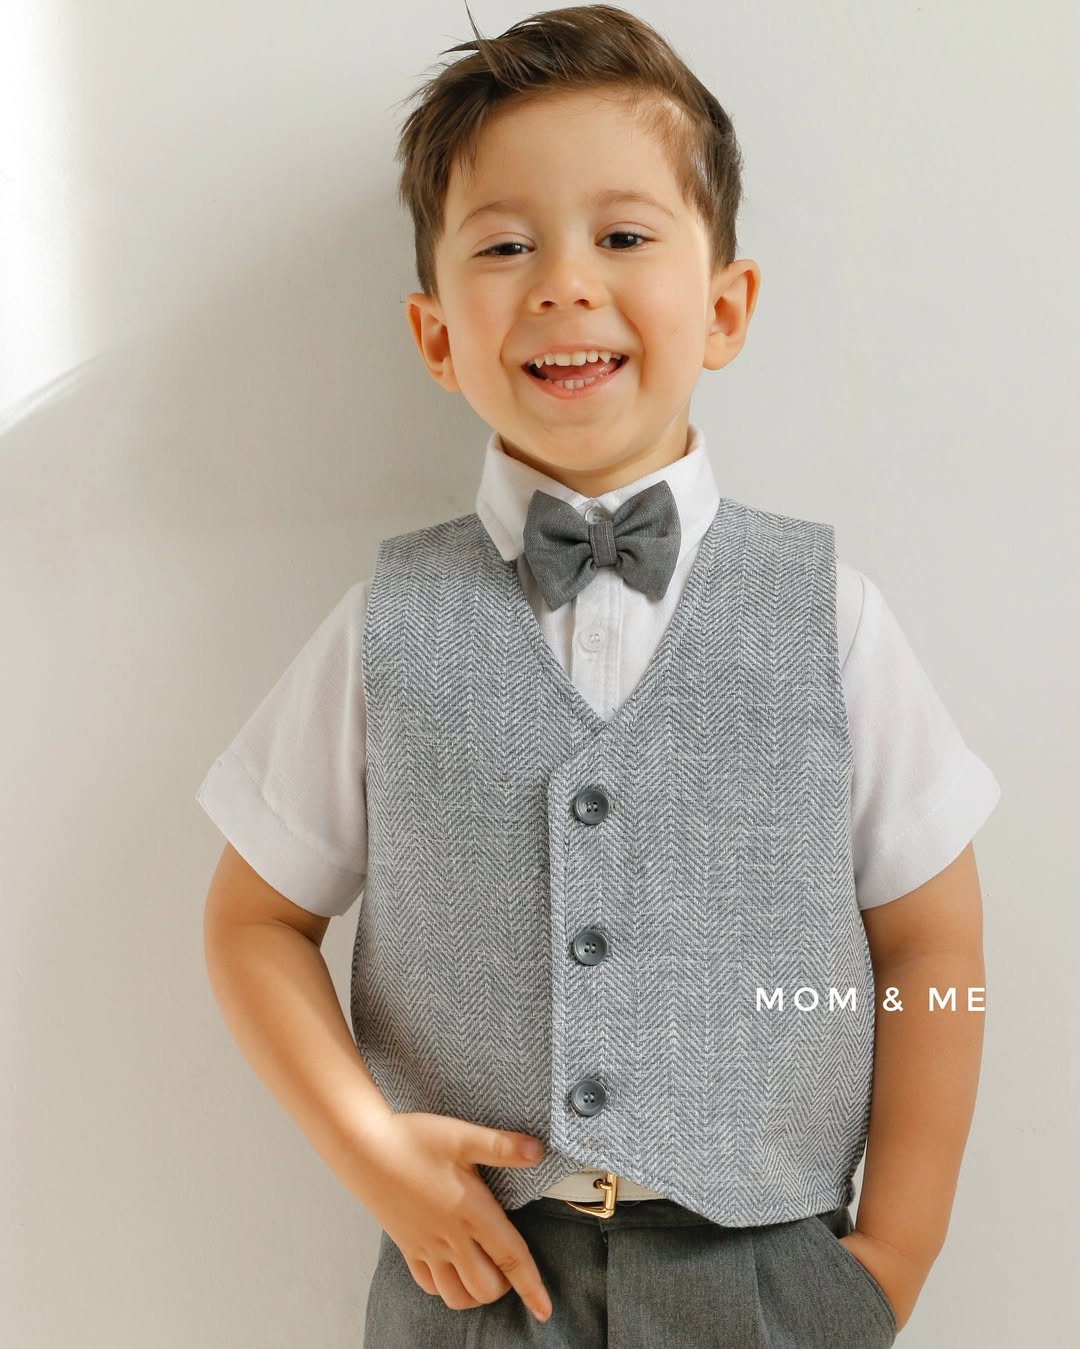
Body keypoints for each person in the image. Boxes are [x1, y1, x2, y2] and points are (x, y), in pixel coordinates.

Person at [196, 5, 1001, 1344]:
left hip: (771, 1279)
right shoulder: (385, 627)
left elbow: (935, 949)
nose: (564, 283)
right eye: (505, 246)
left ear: (726, 307)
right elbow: (251, 921)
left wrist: (895, 1253)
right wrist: (371, 1151)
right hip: (473, 1280)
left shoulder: (832, 620)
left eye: (623, 237)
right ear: (436, 336)